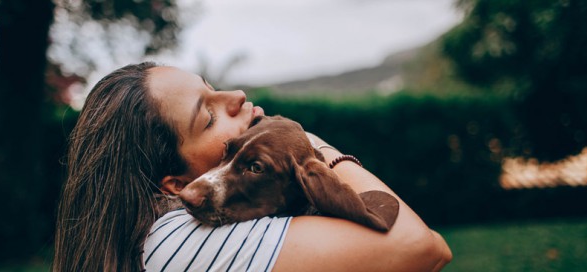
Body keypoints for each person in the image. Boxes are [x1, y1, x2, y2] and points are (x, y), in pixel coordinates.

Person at [53, 62, 452, 271]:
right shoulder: (172, 240)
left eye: (211, 87)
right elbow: (422, 248)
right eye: (208, 116)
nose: (237, 95)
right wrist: (306, 144)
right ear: (175, 185)